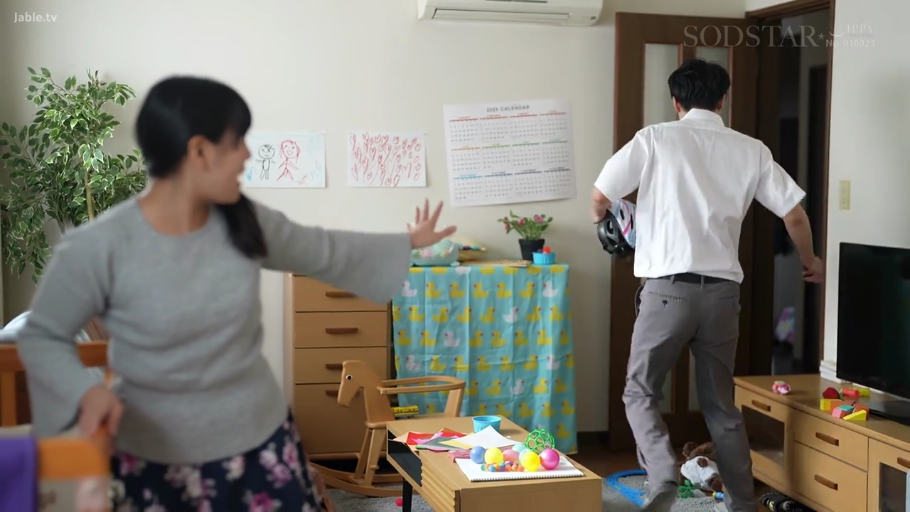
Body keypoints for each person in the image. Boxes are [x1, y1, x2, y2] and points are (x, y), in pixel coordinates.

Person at [16, 76, 456, 511]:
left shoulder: (244, 222)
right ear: (199, 151)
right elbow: (42, 336)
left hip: (259, 440)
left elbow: (323, 248)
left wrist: (408, 242)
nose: (248, 154)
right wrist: (86, 392)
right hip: (155, 453)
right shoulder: (98, 245)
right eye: (237, 141)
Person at [591, 59, 823, 512]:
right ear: (722, 100)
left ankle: (663, 475)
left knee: (640, 391)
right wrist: (810, 260)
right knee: (721, 405)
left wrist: (603, 221)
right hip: (721, 295)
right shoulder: (751, 149)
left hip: (666, 292)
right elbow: (794, 214)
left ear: (676, 102)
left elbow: (601, 196)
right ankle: (742, 503)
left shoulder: (655, 138)